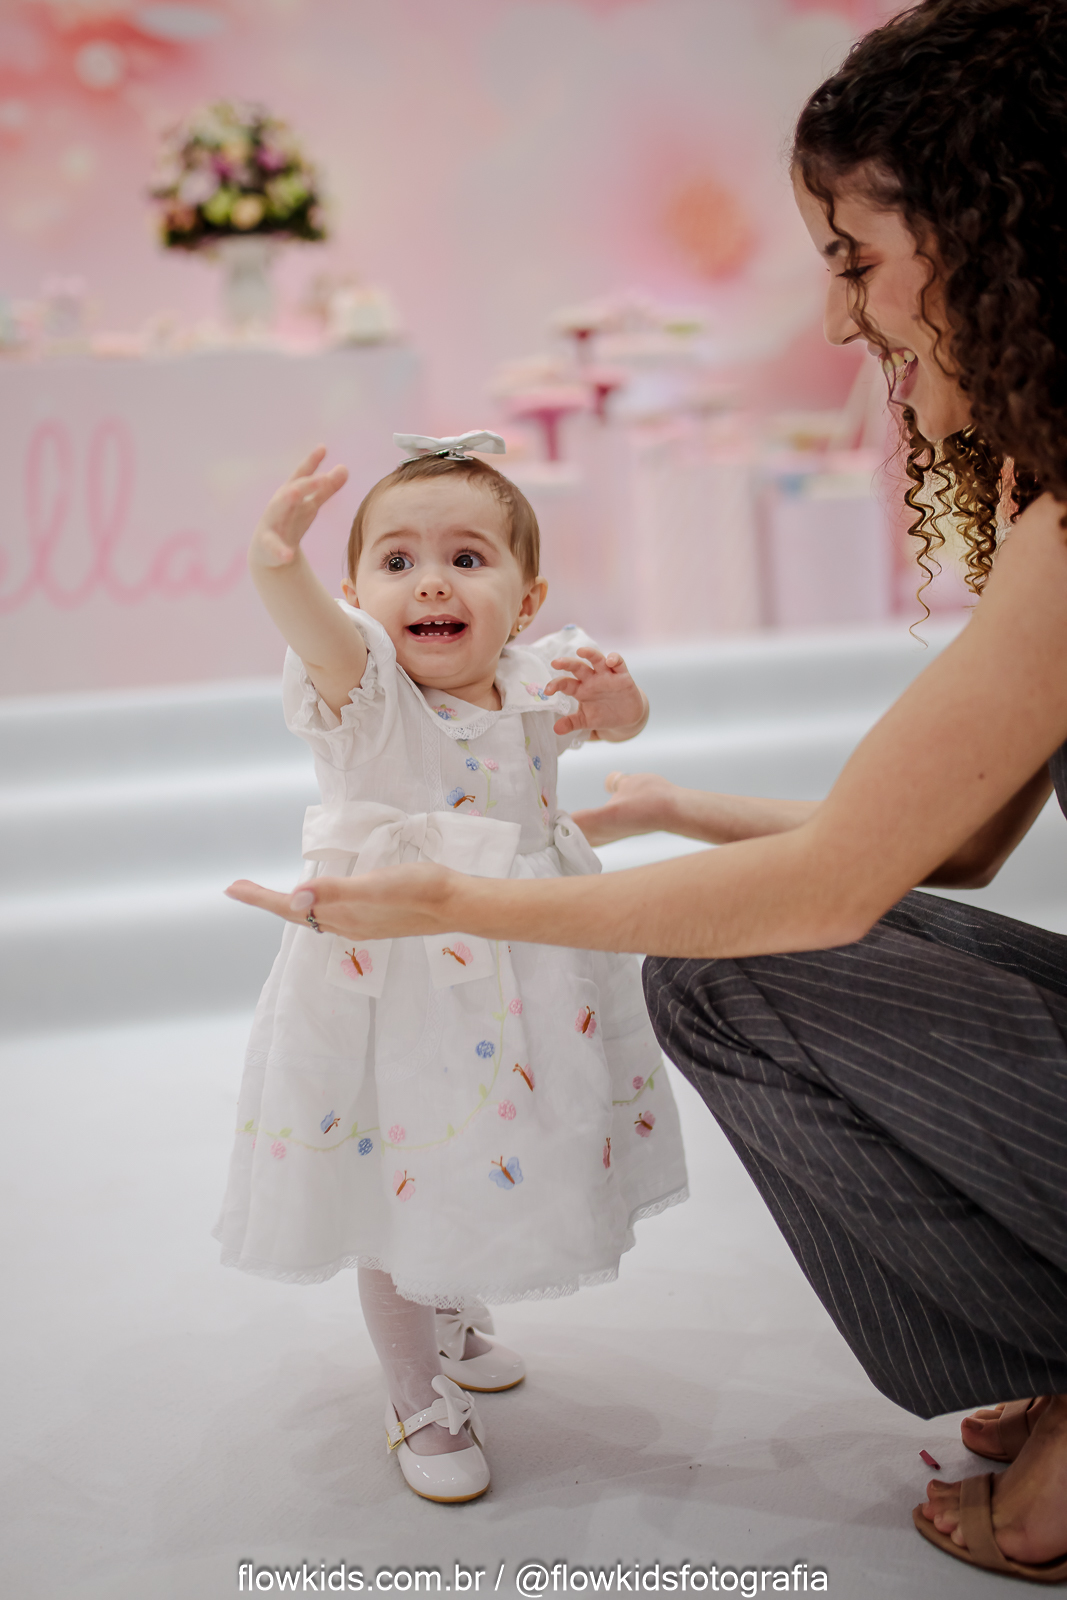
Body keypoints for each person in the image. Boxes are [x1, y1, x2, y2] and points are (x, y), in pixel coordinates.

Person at [227, 0, 1067, 1575]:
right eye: (395, 560)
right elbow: (947, 841)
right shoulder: (1048, 515)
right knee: (717, 972)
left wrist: (462, 895)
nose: (836, 321)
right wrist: (669, 799)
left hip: (473, 923)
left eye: (855, 261)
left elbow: (832, 887)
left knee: (726, 970)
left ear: (996, 237)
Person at [216, 430, 688, 1504]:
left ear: (527, 600)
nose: (430, 581)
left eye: (467, 558)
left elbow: (617, 723)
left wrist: (620, 704)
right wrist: (275, 562)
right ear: (355, 597)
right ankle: (412, 1391)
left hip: (528, 959)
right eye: (397, 561)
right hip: (401, 977)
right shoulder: (367, 687)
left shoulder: (529, 678)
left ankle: (452, 1306)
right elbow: (308, 623)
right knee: (405, 1160)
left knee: (493, 1137)